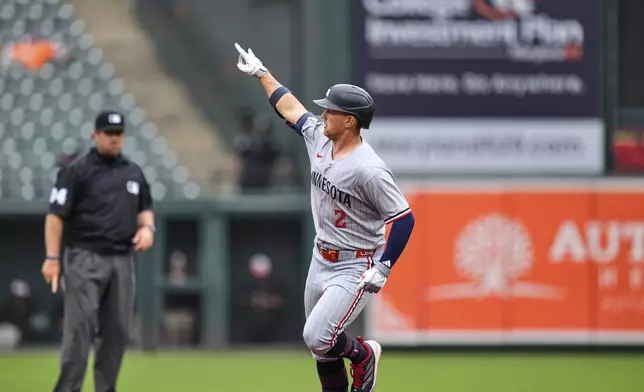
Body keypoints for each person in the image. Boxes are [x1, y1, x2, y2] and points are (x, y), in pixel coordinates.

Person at [234, 43, 416, 392]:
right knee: (323, 353)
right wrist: (262, 74)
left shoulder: (370, 169)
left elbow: (404, 218)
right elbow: (291, 108)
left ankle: (363, 355)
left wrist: (384, 266)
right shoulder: (319, 136)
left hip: (355, 264)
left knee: (317, 336)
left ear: (349, 120)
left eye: (330, 111)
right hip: (321, 257)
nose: (323, 115)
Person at [41, 110, 155, 392]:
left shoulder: (133, 172)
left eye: (119, 134)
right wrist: (52, 258)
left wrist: (147, 229)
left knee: (117, 332)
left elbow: (146, 210)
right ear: (95, 135)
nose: (114, 139)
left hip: (122, 260)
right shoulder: (76, 171)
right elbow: (55, 215)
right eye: (109, 133)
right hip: (84, 256)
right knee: (80, 330)